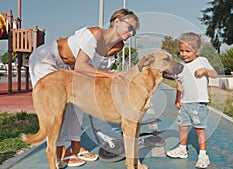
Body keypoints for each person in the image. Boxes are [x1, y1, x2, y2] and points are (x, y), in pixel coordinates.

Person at [29, 8, 139, 168]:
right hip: (47, 60)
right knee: (57, 111)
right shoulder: (95, 34)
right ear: (116, 22)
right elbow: (81, 66)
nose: (131, 33)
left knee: (79, 105)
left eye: (134, 31)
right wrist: (112, 76)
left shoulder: (119, 45)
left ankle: (75, 146)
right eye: (130, 28)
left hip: (70, 68)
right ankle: (59, 152)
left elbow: (94, 74)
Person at [166, 32, 218, 168]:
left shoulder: (202, 61)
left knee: (199, 128)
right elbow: (179, 84)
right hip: (185, 103)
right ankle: (182, 149)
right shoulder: (181, 66)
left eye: (188, 51)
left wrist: (205, 71)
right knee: (182, 127)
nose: (184, 54)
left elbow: (214, 74)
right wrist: (178, 99)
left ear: (197, 51)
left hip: (198, 103)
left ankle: (203, 155)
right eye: (182, 51)